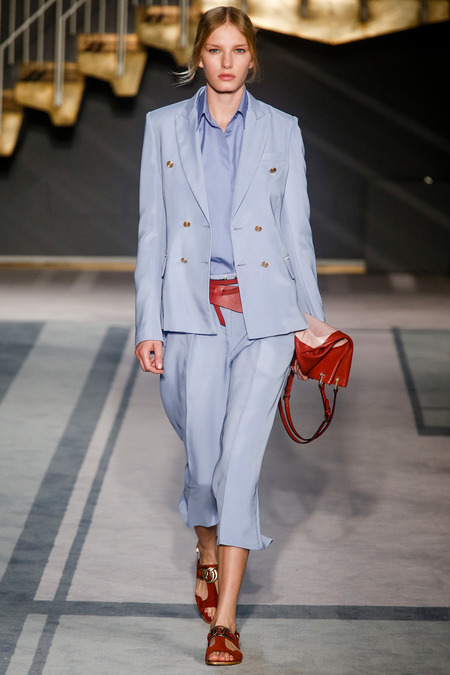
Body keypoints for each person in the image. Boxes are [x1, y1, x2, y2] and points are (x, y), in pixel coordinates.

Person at [134, 5, 324, 666]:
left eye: (237, 50)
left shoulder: (281, 130)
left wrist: (311, 321)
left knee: (239, 465)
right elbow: (152, 232)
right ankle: (206, 545)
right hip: (191, 315)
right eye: (215, 49)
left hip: (266, 320)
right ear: (199, 56)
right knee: (204, 461)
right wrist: (148, 323)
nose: (226, 61)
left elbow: (297, 233)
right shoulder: (163, 128)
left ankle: (226, 620)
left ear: (251, 58)